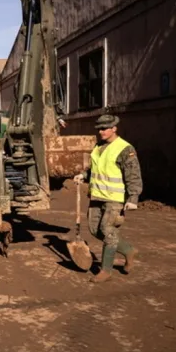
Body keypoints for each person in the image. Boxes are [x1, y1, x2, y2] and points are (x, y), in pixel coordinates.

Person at [73, 114, 143, 283]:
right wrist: (83, 175)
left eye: (104, 128)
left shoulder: (125, 149)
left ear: (114, 128)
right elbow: (95, 169)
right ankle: (128, 250)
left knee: (108, 230)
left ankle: (106, 270)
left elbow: (133, 175)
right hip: (97, 195)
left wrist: (133, 198)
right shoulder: (98, 146)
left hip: (115, 198)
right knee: (94, 229)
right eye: (99, 129)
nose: (101, 132)